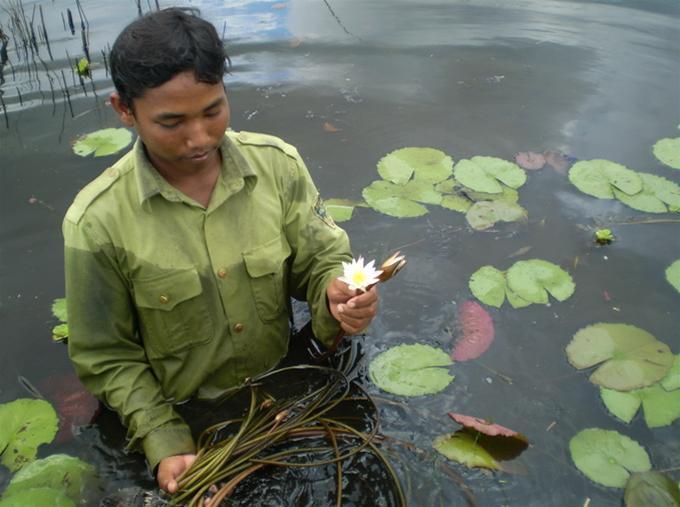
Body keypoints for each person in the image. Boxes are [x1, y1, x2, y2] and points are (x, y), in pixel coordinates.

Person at [62, 7, 378, 494]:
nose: (199, 138)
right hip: (187, 416)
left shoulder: (278, 166)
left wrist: (336, 296)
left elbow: (319, 262)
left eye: (213, 111)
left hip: (285, 384)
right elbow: (106, 356)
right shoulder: (97, 222)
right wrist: (164, 437)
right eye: (172, 122)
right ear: (124, 110)